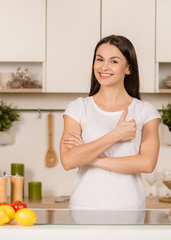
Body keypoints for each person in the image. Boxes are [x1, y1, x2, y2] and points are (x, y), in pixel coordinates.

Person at [60, 35, 161, 210]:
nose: (104, 67)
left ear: (128, 68)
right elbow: (68, 161)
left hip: (130, 207)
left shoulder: (145, 111)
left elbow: (147, 163)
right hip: (84, 205)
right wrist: (115, 135)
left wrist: (90, 158)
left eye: (114, 61)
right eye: (99, 59)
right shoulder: (77, 108)